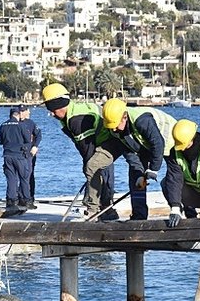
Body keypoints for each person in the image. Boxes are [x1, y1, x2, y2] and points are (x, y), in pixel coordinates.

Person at [41, 83, 120, 220]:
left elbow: (87, 150)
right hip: (102, 141)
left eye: (53, 110)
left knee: (92, 167)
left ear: (61, 105)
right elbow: (83, 147)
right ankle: (107, 210)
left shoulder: (76, 120)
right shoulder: (68, 116)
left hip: (113, 139)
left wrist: (88, 169)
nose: (52, 114)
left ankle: (95, 210)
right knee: (94, 169)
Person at [99, 98, 178, 220]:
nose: (113, 129)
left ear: (124, 117)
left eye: (115, 125)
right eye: (111, 126)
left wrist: (153, 169)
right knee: (136, 176)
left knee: (175, 176)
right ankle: (139, 216)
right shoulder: (115, 130)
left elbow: (158, 144)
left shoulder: (142, 120)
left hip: (172, 141)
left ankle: (182, 211)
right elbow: (129, 153)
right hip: (145, 145)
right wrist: (141, 174)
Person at [0, 107, 32, 215]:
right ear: (18, 115)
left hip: (7, 155)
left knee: (11, 179)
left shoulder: (3, 125)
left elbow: (0, 141)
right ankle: (26, 200)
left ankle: (10, 201)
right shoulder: (21, 125)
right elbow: (28, 139)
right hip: (19, 155)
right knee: (24, 178)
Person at [18, 104, 42, 209]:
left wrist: (35, 146)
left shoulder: (30, 123)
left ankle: (30, 196)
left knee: (29, 174)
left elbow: (38, 135)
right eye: (20, 111)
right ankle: (20, 197)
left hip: (30, 153)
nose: (21, 113)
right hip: (18, 153)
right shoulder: (15, 123)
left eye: (23, 111)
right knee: (18, 175)